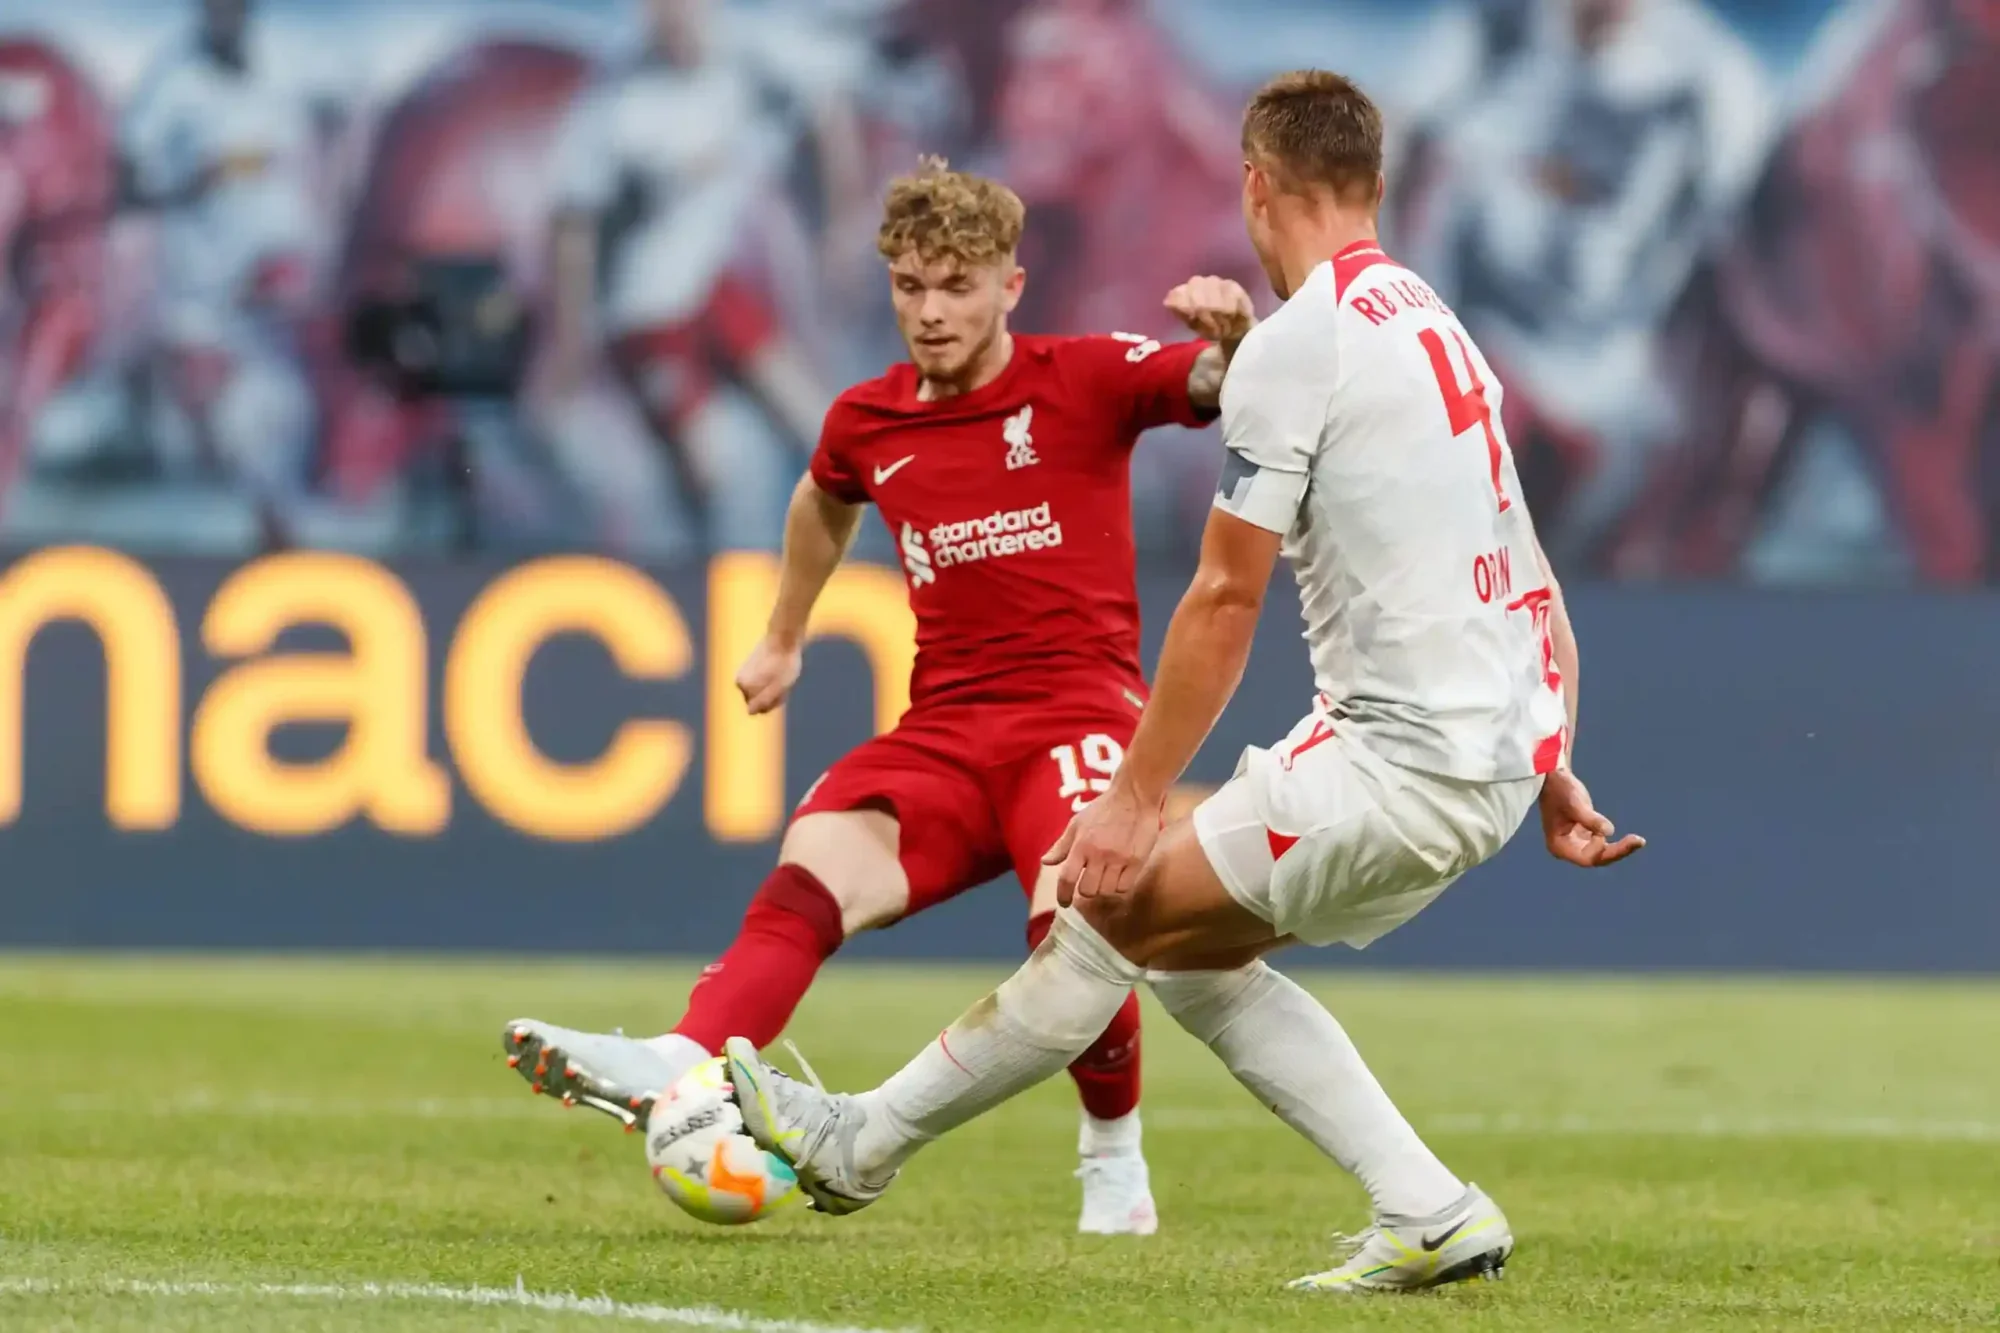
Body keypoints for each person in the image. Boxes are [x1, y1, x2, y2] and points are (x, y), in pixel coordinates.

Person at [719, 71, 1643, 1293]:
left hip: (1389, 763)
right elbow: (1521, 561)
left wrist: (1131, 794)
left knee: (1104, 905)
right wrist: (1551, 754)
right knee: (1181, 950)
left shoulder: (1292, 348)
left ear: (1254, 187)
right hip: (1483, 759)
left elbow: (1219, 599)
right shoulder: (1436, 327)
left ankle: (858, 1144)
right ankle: (1423, 1208)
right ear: (1373, 184)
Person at [501, 158, 1255, 1236]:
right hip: (945, 729)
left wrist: (1232, 338)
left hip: (1074, 714)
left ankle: (1111, 1152)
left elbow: (1210, 385)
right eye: (911, 287)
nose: (933, 311)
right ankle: (678, 1058)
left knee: (1077, 927)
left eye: (957, 285)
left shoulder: (1082, 375)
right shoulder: (868, 418)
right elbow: (822, 496)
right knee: (816, 860)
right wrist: (781, 635)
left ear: (1009, 285)